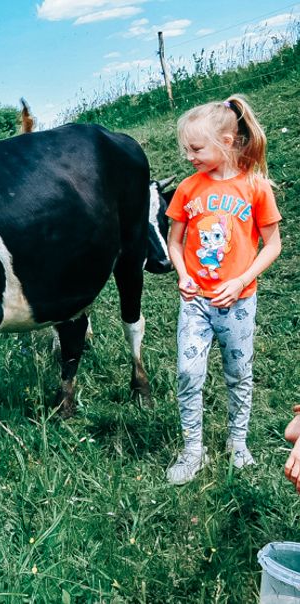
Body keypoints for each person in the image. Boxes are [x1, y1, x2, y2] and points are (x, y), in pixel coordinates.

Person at [163, 94, 282, 485]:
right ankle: (192, 450)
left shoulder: (256, 187)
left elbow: (273, 244)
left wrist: (240, 280)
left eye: (196, 148)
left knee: (238, 373)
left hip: (238, 304)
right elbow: (175, 241)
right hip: (196, 303)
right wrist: (182, 274)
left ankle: (238, 443)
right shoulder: (187, 188)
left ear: (226, 143)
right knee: (187, 372)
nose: (189, 156)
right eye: (186, 148)